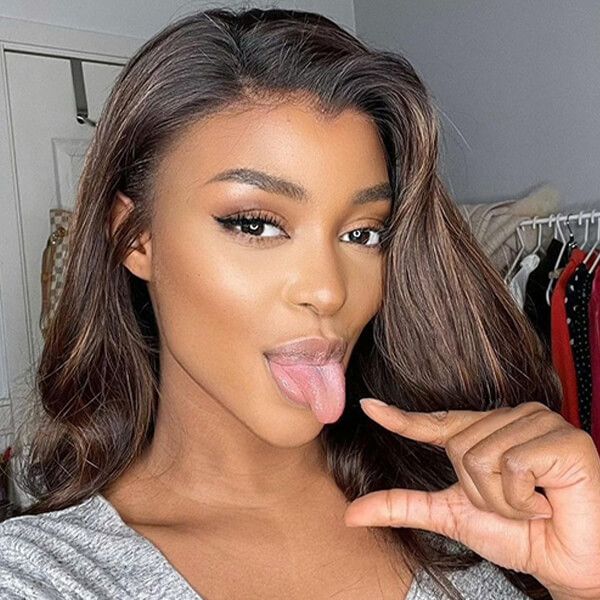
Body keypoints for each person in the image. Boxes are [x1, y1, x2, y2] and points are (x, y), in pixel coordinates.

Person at [1, 6, 599, 600]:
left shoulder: (488, 512)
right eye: (256, 224)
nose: (328, 289)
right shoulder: (42, 576)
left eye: (363, 233)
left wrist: (583, 586)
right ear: (136, 239)